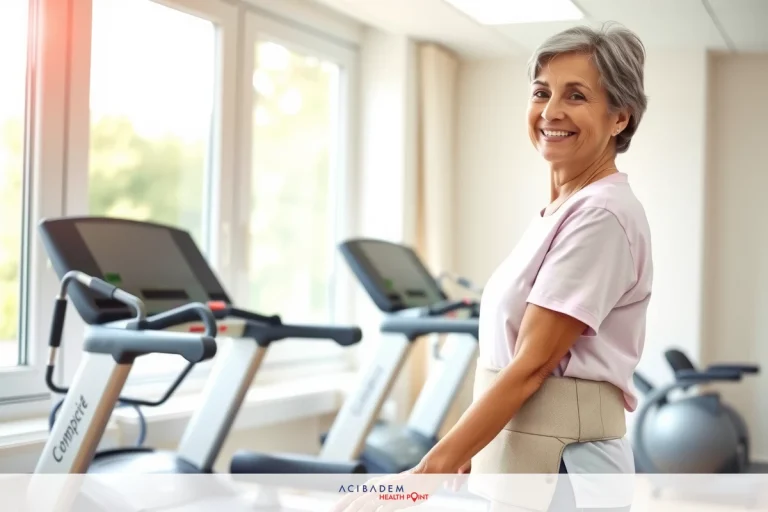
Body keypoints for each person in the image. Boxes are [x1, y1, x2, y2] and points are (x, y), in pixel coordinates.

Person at [333, 22, 652, 512]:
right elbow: (512, 362)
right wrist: (468, 450)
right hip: (528, 458)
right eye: (541, 92)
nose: (550, 111)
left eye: (576, 96)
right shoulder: (563, 209)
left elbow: (532, 366)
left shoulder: (601, 215)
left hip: (565, 470)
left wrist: (425, 473)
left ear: (619, 118)